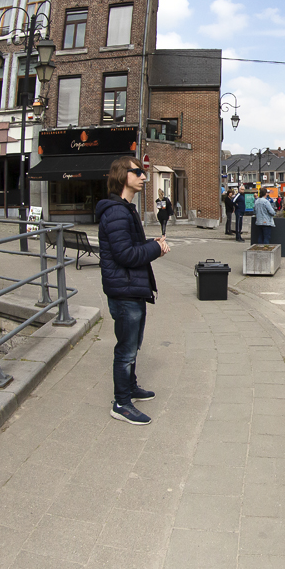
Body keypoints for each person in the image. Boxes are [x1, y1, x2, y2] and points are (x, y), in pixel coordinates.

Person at [96, 156, 170, 426]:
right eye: (137, 172)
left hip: (131, 288)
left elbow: (128, 249)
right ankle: (121, 402)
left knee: (133, 344)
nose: (143, 176)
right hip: (124, 291)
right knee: (126, 349)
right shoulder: (116, 211)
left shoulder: (126, 209)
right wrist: (155, 248)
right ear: (121, 176)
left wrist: (152, 246)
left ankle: (132, 387)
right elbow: (126, 255)